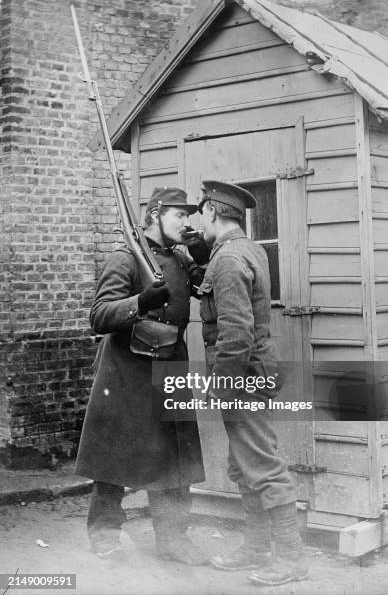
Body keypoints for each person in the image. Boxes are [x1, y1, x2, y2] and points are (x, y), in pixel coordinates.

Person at [75, 187, 210, 565]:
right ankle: (104, 532)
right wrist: (140, 302)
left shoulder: (180, 259)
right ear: (154, 214)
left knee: (176, 456)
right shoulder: (125, 258)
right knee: (114, 454)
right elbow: (98, 316)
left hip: (170, 362)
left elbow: (205, 287)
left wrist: (203, 256)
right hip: (128, 368)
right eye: (179, 216)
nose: (187, 222)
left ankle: (173, 539)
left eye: (189, 216)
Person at [197, 180, 308, 587]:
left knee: (262, 465)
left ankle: (292, 558)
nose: (197, 220)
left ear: (211, 211)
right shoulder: (251, 249)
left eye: (200, 213)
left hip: (241, 376)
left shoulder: (226, 260)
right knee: (243, 465)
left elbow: (237, 332)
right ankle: (256, 548)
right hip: (256, 370)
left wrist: (222, 386)